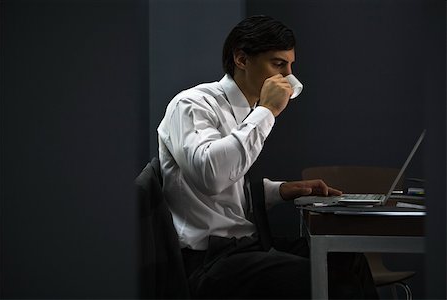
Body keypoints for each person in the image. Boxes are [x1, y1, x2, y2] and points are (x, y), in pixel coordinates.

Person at [157, 15, 378, 299]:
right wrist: (267, 112)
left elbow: (225, 189)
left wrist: (280, 191)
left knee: (349, 259)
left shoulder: (244, 112)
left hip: (243, 246)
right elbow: (211, 177)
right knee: (329, 281)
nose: (288, 76)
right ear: (241, 59)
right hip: (209, 259)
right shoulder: (192, 105)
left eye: (290, 65)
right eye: (278, 64)